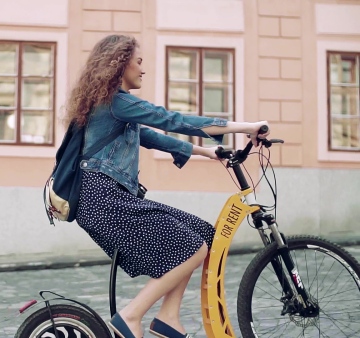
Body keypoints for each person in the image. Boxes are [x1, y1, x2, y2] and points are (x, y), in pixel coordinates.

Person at [64, 35, 269, 338]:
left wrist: (207, 152)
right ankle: (131, 316)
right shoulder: (118, 103)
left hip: (107, 197)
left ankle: (168, 318)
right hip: (102, 198)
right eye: (139, 61)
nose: (142, 69)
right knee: (191, 247)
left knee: (203, 235)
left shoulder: (116, 109)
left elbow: (152, 137)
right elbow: (173, 121)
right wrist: (247, 127)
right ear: (120, 64)